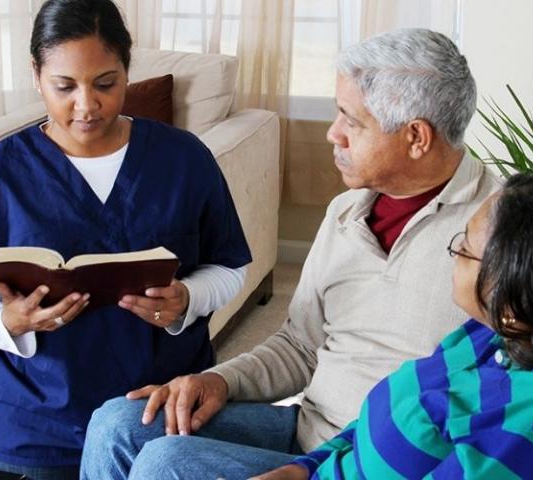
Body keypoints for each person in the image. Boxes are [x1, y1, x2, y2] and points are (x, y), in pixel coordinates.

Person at [81, 28, 502, 479]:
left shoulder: (500, 235)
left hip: (383, 465)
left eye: (351, 121)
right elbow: (301, 345)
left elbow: (512, 398)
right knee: (118, 424)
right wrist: (218, 381)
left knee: (168, 463)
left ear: (416, 137)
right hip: (307, 430)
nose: (332, 134)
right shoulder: (346, 211)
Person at [0, 0, 250, 478]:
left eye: (105, 83)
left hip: (157, 412)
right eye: (64, 86)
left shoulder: (184, 160)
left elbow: (230, 265)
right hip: (32, 423)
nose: (87, 106)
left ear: (127, 70)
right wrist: (9, 320)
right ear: (36, 75)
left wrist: (188, 297)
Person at [252, 175, 533, 479]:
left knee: (187, 458)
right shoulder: (498, 335)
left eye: (464, 248)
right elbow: (382, 419)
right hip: (323, 468)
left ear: (508, 290)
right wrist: (303, 468)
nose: (453, 256)